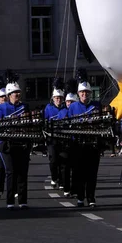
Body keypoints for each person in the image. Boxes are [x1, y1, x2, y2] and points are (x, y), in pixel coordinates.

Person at [0, 70, 31, 210]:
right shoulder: (2, 107)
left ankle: (23, 201)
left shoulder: (24, 107)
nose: (18, 95)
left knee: (22, 172)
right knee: (10, 172)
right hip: (7, 145)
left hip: (22, 143)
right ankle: (10, 201)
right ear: (9, 95)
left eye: (19, 93)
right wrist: (10, 120)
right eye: (15, 93)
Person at [67, 69, 102, 208]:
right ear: (78, 94)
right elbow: (68, 123)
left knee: (92, 173)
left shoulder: (97, 106)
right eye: (82, 93)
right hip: (78, 144)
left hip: (93, 144)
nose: (84, 95)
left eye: (87, 93)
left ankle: (91, 197)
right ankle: (80, 197)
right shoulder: (73, 107)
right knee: (79, 172)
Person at [43, 78, 66, 189]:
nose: (58, 100)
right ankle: (54, 177)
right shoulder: (48, 108)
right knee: (53, 160)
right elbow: (44, 121)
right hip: (51, 139)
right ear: (53, 98)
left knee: (62, 161)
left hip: (62, 138)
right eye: (56, 98)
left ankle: (61, 182)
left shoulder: (65, 109)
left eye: (60, 98)